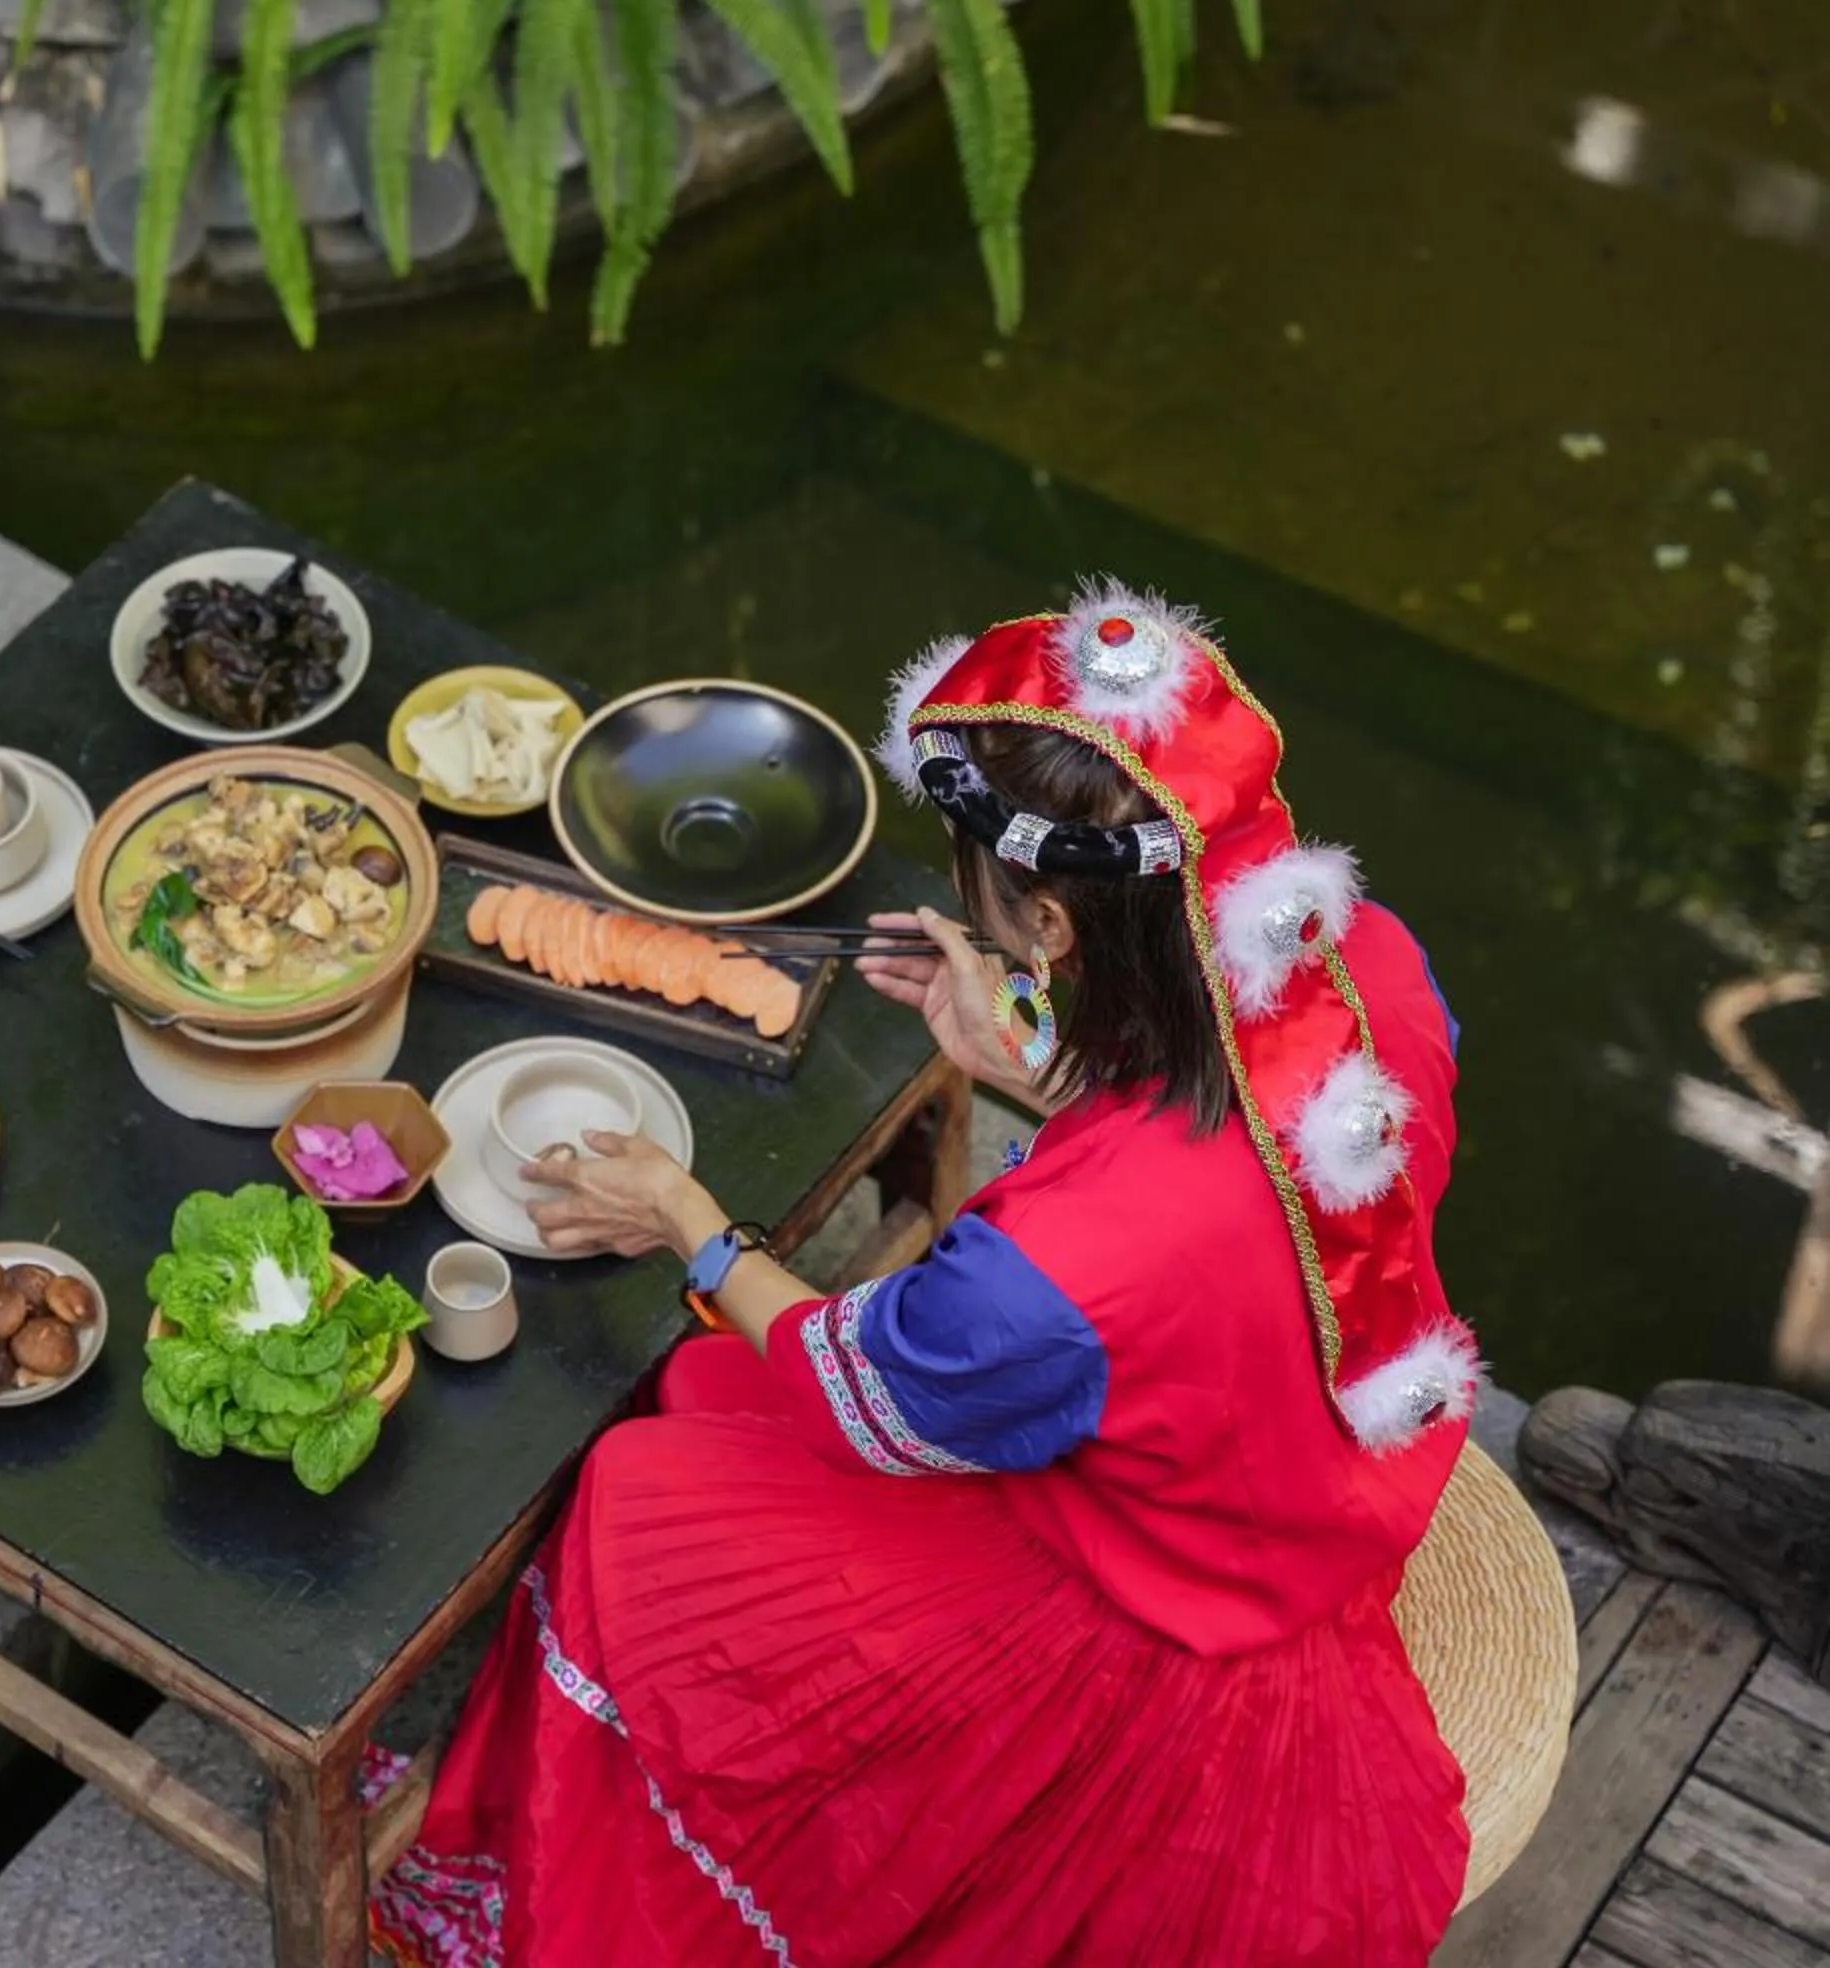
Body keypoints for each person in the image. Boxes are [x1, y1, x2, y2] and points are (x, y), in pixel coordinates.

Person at [370, 586, 1480, 1968]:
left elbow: (866, 1389)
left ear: (1058, 932)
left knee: (645, 1502)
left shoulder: (1061, 1267)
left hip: (1130, 1620)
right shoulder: (1374, 965)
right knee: (714, 1386)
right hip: (1282, 1489)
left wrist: (692, 1224)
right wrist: (1038, 1064)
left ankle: (545, 1894)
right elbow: (1251, 1169)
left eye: (982, 880)